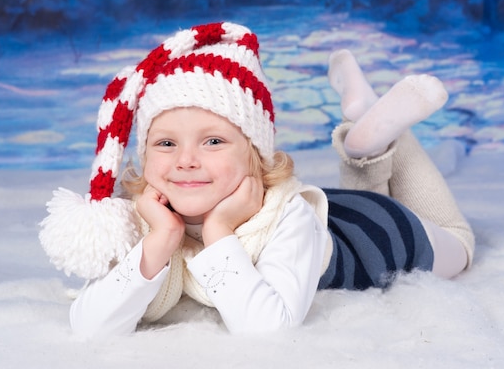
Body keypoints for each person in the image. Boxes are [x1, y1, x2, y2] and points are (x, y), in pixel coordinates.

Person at [39, 22, 474, 339]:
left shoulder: (287, 218)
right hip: (330, 216)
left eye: (212, 141)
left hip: (376, 235)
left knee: (460, 241)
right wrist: (160, 241)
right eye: (166, 144)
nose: (185, 161)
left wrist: (218, 231)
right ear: (144, 155)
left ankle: (375, 135)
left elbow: (268, 332)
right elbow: (90, 327)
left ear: (256, 156)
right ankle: (365, 141)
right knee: (361, 187)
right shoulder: (145, 215)